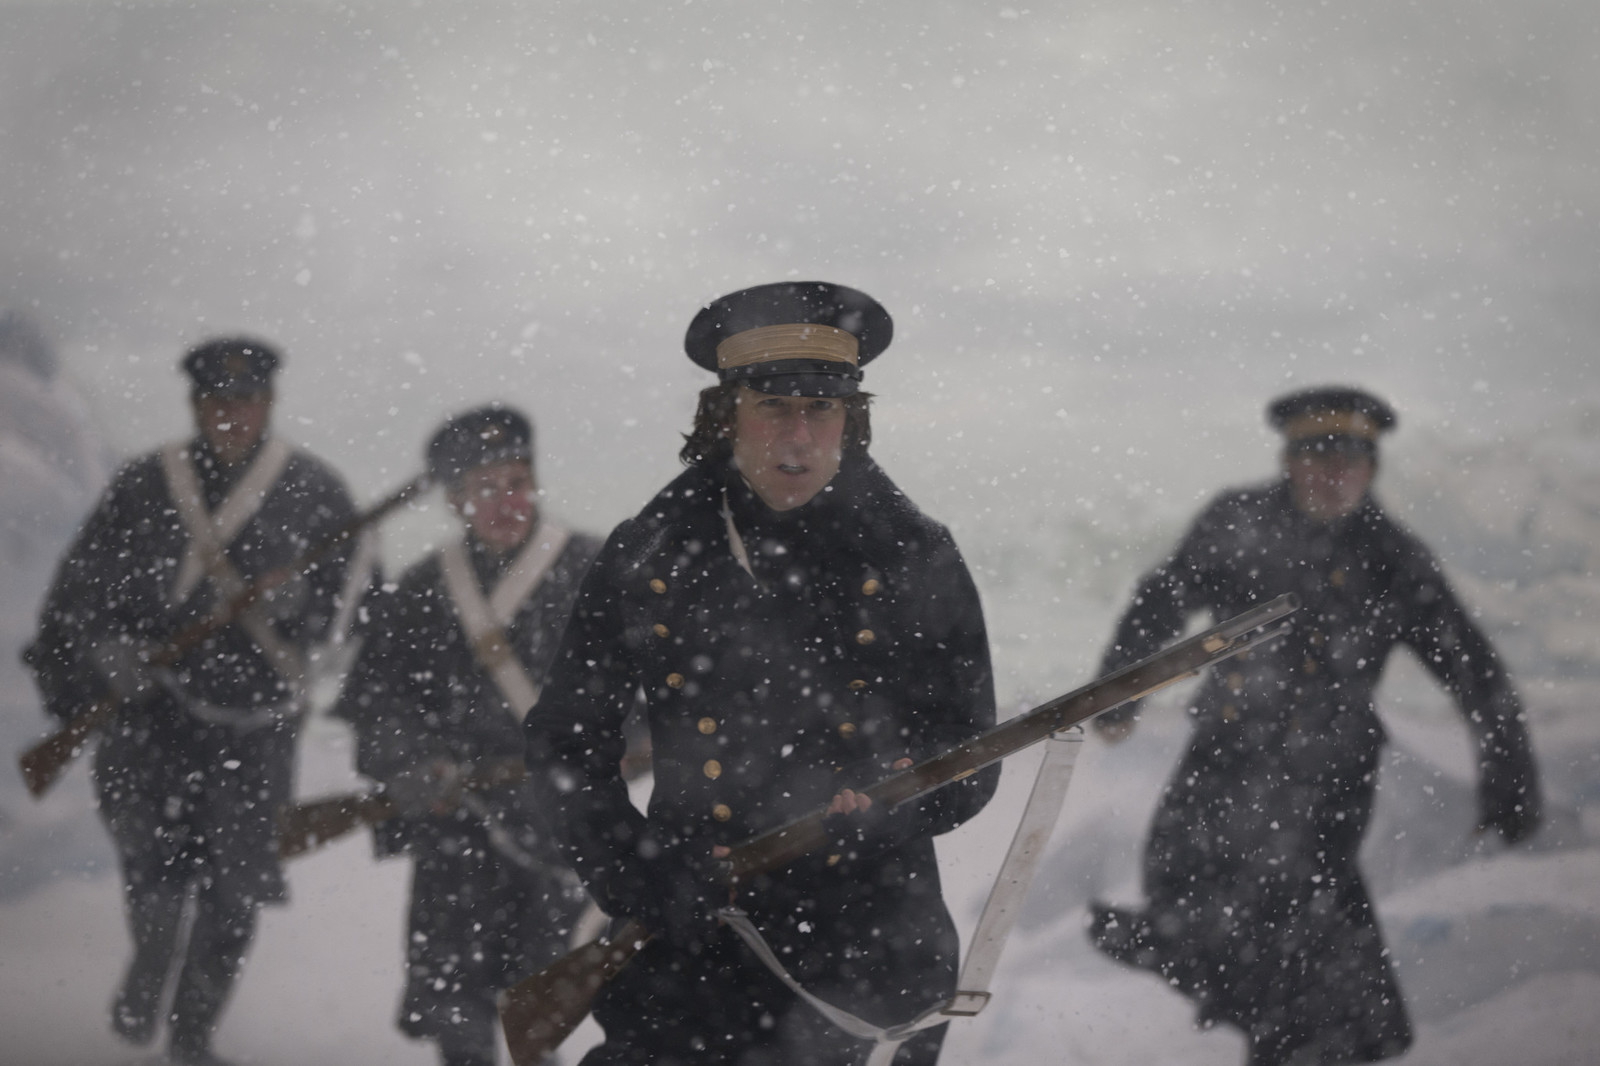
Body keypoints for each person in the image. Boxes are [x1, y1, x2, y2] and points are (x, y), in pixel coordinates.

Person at [522, 281, 1000, 1066]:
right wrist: (635, 869)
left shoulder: (916, 554)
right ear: (725, 415)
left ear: (853, 418)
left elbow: (972, 750)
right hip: (691, 925)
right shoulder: (649, 552)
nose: (799, 438)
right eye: (774, 407)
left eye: (823, 410)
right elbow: (565, 739)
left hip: (869, 944)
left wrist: (892, 807)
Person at [1087, 386, 1542, 1066]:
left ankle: (1304, 1034)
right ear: (1291, 460)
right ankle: (1263, 997)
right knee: (1177, 879)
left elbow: (1472, 667)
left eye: (1353, 460)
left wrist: (1510, 779)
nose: (1336, 474)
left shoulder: (1392, 555)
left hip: (1326, 774)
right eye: (1320, 457)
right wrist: (1119, 692)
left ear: (1371, 468)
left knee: (1297, 921)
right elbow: (1162, 599)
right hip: (1226, 750)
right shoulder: (1235, 521)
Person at [24, 337, 370, 1066]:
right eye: (217, 399)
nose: (231, 412)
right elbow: (80, 594)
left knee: (233, 895)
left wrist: (303, 608)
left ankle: (191, 1039)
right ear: (196, 404)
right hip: (150, 719)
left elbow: (361, 608)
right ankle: (149, 967)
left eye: (245, 399)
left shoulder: (315, 490)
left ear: (269, 403)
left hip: (256, 728)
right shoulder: (146, 483)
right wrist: (102, 656)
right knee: (154, 880)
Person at [332, 405, 601, 1066]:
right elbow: (380, 703)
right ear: (455, 501)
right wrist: (412, 763)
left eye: (515, 481)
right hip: (457, 824)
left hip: (559, 824)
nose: (505, 501)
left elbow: (656, 691)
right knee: (458, 1002)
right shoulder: (423, 590)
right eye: (485, 487)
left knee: (541, 1002)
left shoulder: (595, 571)